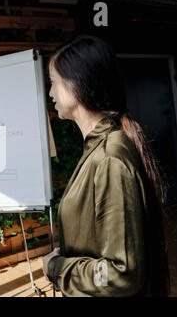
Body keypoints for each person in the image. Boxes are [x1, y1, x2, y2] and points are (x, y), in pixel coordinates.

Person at [41, 35, 170, 296]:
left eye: (53, 83)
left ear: (77, 83)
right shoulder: (99, 148)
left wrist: (58, 268)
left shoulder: (110, 157)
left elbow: (121, 274)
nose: (51, 92)